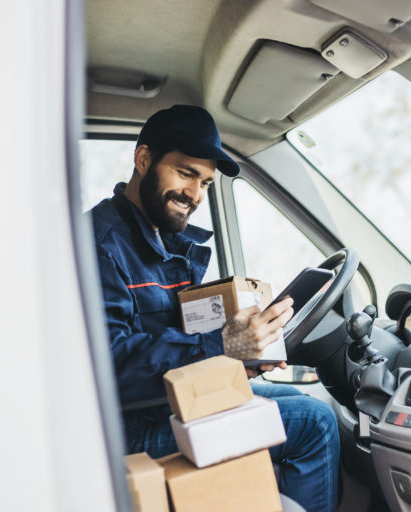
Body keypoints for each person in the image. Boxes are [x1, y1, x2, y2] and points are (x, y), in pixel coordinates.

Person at [89, 105, 340, 512]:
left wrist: (241, 357)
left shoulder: (162, 241)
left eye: (205, 182)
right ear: (143, 160)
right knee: (314, 422)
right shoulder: (99, 245)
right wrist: (223, 345)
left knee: (307, 410)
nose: (195, 195)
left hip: (171, 404)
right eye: (186, 173)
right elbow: (110, 366)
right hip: (125, 428)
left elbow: (181, 344)